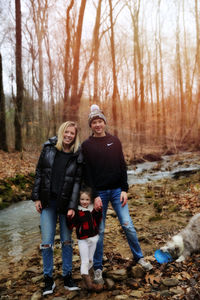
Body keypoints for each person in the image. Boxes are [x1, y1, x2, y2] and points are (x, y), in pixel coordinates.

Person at [82, 104, 153, 284]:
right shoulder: (87, 145)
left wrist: (124, 189)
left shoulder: (115, 141)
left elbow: (122, 166)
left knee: (127, 225)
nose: (98, 125)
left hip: (116, 192)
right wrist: (95, 195)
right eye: (94, 122)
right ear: (90, 125)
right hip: (100, 195)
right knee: (100, 230)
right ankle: (97, 268)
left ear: (104, 123)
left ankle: (139, 257)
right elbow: (87, 173)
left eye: (100, 121)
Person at [32, 121, 83, 296]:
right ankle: (48, 279)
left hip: (66, 205)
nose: (69, 135)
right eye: (67, 132)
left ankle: (67, 276)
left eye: (72, 133)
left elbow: (77, 182)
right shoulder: (48, 147)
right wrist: (36, 197)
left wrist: (72, 206)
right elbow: (39, 172)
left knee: (67, 241)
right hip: (48, 202)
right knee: (47, 242)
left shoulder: (77, 154)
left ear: (75, 136)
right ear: (62, 132)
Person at [67, 187, 103, 291]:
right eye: (82, 199)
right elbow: (71, 225)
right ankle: (89, 285)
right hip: (83, 240)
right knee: (85, 261)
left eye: (87, 200)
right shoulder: (77, 211)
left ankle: (88, 278)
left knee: (91, 260)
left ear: (90, 200)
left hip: (94, 238)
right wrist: (69, 217)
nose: (84, 202)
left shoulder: (93, 209)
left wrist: (99, 211)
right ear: (79, 200)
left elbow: (98, 220)